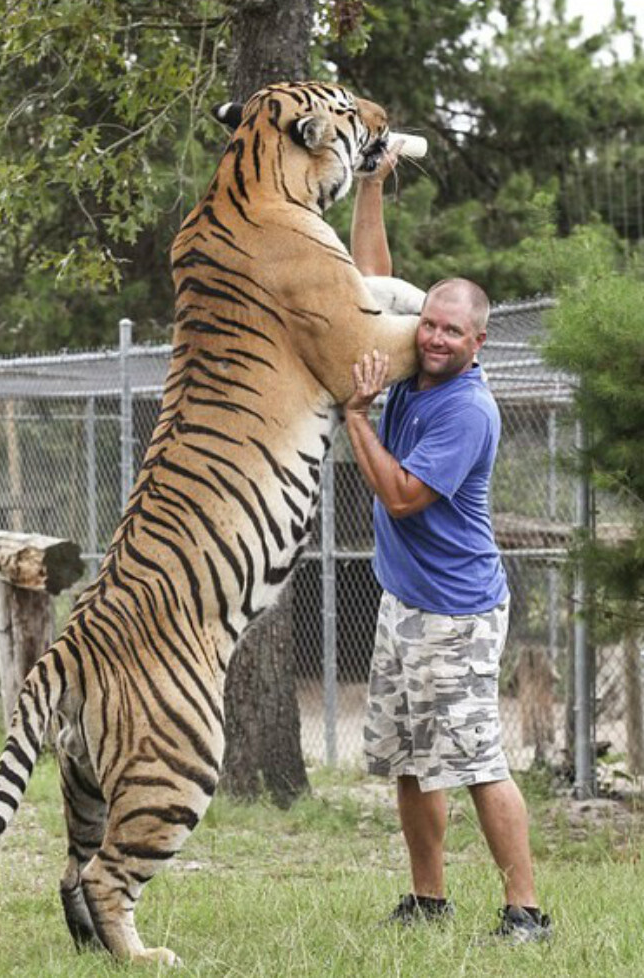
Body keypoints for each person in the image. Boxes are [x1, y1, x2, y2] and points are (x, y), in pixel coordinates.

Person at [345, 149, 552, 943]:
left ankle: (525, 913)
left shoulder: (464, 409)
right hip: (405, 605)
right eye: (427, 323)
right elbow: (370, 280)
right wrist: (370, 182)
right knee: (407, 757)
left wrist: (356, 416)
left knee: (473, 763)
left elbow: (400, 498)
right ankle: (428, 899)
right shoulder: (411, 362)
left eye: (450, 331)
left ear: (480, 341)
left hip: (456, 615)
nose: (433, 338)